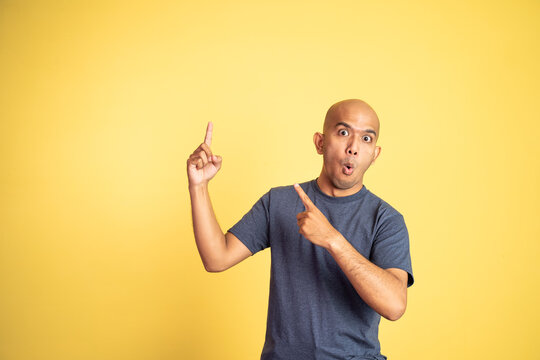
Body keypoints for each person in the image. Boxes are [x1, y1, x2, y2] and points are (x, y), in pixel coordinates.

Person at [187, 99, 414, 360]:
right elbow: (216, 258)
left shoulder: (386, 219)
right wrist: (198, 186)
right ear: (320, 142)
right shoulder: (279, 202)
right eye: (343, 133)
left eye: (366, 139)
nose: (353, 147)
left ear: (375, 154)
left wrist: (333, 240)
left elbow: (395, 305)